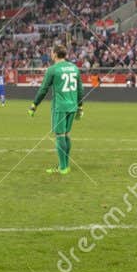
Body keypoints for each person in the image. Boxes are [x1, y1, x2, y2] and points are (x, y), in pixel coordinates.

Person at [30, 44, 82, 175]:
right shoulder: (74, 68)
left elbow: (43, 89)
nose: (51, 55)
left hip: (60, 106)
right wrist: (80, 106)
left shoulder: (53, 69)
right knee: (66, 135)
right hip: (72, 106)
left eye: (51, 52)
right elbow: (80, 89)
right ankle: (65, 165)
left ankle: (63, 168)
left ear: (55, 54)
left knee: (59, 136)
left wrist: (34, 104)